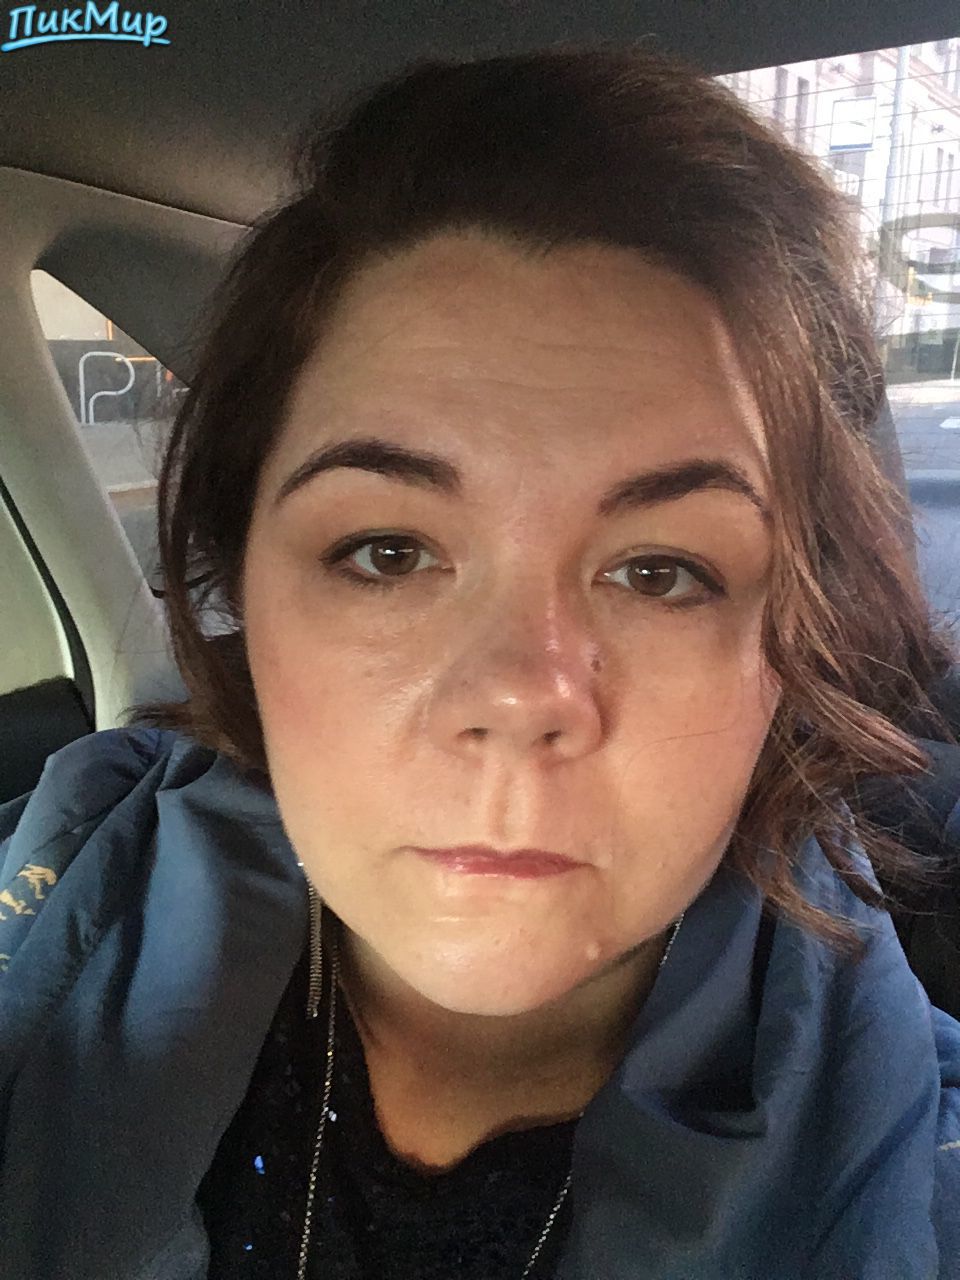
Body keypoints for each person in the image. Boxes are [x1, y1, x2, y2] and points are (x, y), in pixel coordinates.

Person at [1, 43, 959, 1280]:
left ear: (790, 648)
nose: (517, 696)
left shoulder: (907, 1166)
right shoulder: (55, 899)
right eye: (389, 552)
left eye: (661, 571)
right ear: (245, 589)